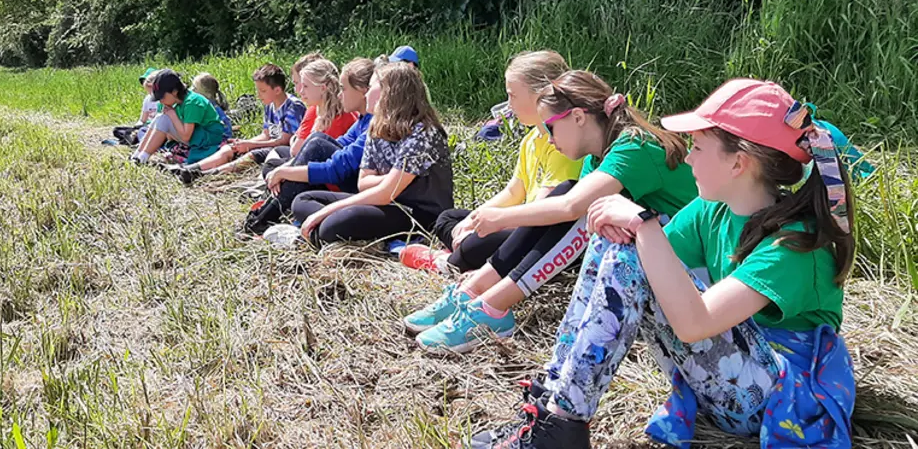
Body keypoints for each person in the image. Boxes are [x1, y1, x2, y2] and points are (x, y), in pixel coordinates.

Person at [469, 79, 856, 449]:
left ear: (739, 163)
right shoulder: (714, 210)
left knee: (632, 243)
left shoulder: (795, 245)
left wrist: (642, 223)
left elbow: (694, 324)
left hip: (772, 401)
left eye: (699, 148)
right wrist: (629, 229)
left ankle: (563, 424)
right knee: (618, 243)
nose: (687, 157)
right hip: (728, 377)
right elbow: (640, 265)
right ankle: (553, 402)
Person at [407, 70, 697, 353]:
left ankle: (492, 308)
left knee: (581, 207)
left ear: (579, 117)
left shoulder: (635, 148)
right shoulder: (598, 157)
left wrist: (500, 218)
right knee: (569, 191)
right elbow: (566, 203)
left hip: (688, 270)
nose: (547, 138)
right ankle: (473, 292)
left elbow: (571, 208)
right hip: (655, 256)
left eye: (550, 128)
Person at [400, 51, 582, 274]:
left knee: (478, 242)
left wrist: (492, 225)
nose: (508, 104)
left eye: (512, 95)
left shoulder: (562, 144)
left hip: (542, 230)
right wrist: (474, 220)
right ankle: (461, 258)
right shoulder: (531, 139)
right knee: (449, 218)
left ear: (540, 95)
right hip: (522, 220)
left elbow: (542, 212)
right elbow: (513, 192)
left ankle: (447, 263)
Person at [291, 62, 453, 247]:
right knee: (302, 200)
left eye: (372, 86)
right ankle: (327, 232)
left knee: (333, 223)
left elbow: (386, 194)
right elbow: (363, 183)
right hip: (386, 202)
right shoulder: (376, 127)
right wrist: (393, 177)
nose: (366, 93)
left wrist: (324, 212)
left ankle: (322, 232)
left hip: (416, 212)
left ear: (390, 92)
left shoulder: (423, 133)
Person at [261, 57, 376, 217]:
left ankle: (263, 216)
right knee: (315, 143)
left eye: (343, 89)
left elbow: (334, 168)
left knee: (300, 199)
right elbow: (336, 145)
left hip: (351, 187)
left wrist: (284, 172)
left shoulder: (372, 125)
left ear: (363, 91)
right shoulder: (363, 120)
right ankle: (265, 211)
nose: (340, 94)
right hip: (339, 177)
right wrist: (284, 170)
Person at [173, 64, 305, 178]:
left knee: (251, 155)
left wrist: (250, 145)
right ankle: (191, 169)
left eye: (263, 91)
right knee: (229, 148)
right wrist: (244, 143)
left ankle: (207, 174)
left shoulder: (293, 107)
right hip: (270, 145)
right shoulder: (270, 105)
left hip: (282, 151)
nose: (258, 95)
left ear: (277, 90)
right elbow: (266, 134)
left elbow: (284, 140)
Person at [261, 58, 360, 179]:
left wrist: (286, 171)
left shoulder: (340, 116)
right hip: (315, 165)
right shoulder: (314, 108)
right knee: (272, 165)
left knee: (281, 172)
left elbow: (305, 152)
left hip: (324, 173)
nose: (300, 92)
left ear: (323, 88)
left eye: (305, 86)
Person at [129, 69, 225, 165]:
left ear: (174, 92)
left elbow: (186, 136)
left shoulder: (193, 102)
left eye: (162, 97)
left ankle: (142, 158)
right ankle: (138, 154)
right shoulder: (172, 101)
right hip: (195, 136)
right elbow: (167, 133)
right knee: (160, 118)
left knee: (163, 119)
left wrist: (172, 115)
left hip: (208, 138)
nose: (161, 101)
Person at [190, 72, 234, 141]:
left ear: (208, 94)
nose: (191, 90)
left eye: (195, 88)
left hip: (218, 142)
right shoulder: (213, 104)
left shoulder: (203, 107)